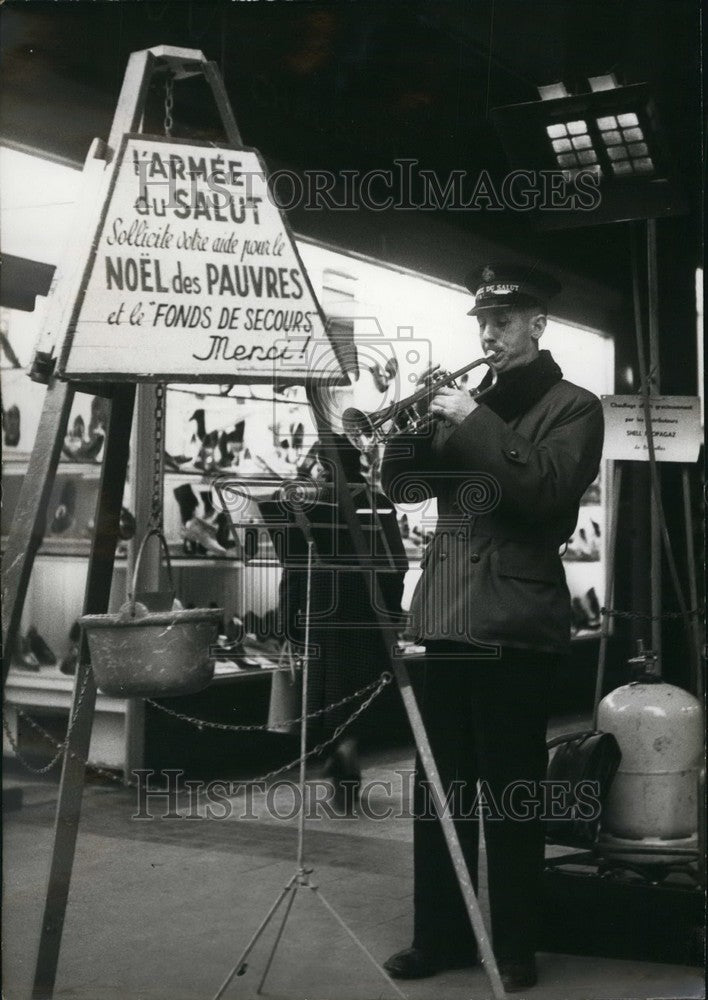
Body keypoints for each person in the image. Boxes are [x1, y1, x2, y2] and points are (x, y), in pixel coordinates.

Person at [380, 263, 604, 992]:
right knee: (439, 790)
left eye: (502, 322)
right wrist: (403, 430)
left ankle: (513, 945)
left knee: (511, 792)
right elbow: (406, 489)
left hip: (514, 616)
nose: (488, 335)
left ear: (537, 324)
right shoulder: (469, 401)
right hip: (448, 613)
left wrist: (472, 420)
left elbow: (542, 493)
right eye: (482, 322)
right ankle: (439, 937)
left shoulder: (574, 407)